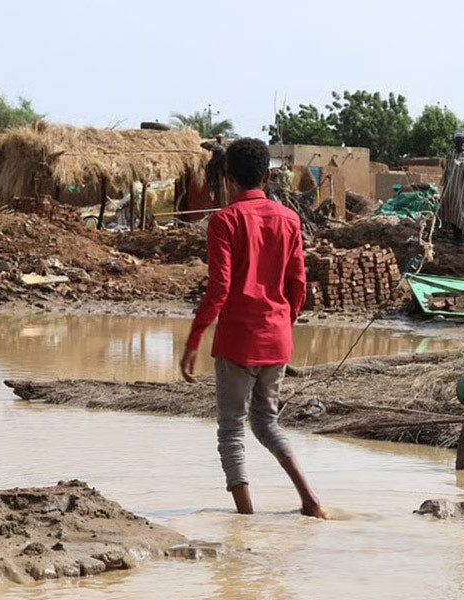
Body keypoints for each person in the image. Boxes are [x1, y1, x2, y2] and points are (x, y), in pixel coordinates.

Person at [181, 138, 327, 519]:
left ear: (228, 177)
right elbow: (298, 285)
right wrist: (282, 324)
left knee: (232, 429)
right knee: (266, 422)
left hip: (237, 341)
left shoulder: (224, 220)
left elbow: (219, 289)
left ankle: (246, 519)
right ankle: (310, 501)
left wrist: (194, 340)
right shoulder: (289, 219)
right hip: (276, 338)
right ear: (266, 175)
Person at [438, 132, 464, 247]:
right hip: (451, 190)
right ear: (454, 144)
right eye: (457, 143)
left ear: (463, 143)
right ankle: (458, 239)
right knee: (452, 213)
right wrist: (444, 189)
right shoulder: (451, 156)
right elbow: (446, 173)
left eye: (461, 142)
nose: (459, 145)